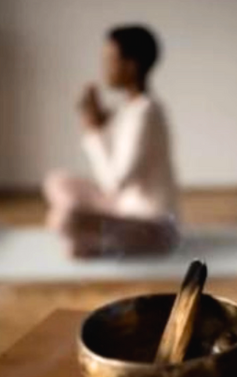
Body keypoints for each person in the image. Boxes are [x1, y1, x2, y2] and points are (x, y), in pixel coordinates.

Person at [43, 24, 180, 258]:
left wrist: (92, 131)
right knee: (56, 181)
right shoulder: (128, 109)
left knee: (66, 219)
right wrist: (100, 124)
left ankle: (92, 242)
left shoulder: (146, 113)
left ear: (131, 65)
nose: (104, 68)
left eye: (110, 60)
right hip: (122, 207)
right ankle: (93, 240)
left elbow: (113, 182)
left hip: (154, 226)